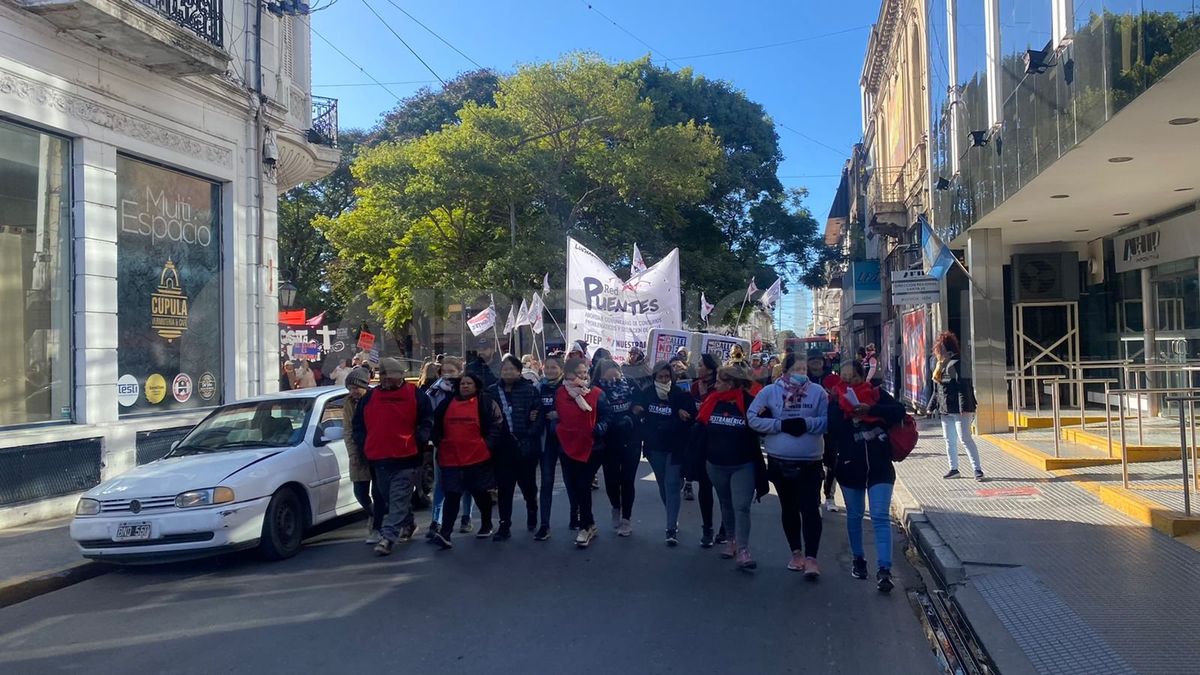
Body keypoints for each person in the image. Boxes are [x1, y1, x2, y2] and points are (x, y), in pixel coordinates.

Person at [749, 352, 830, 577]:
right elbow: (753, 417)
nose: (801, 374)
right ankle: (796, 553)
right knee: (789, 508)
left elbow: (827, 421)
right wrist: (779, 425)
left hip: (810, 461)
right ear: (784, 371)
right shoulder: (770, 392)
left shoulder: (818, 392)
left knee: (811, 509)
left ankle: (812, 558)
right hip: (780, 461)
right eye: (796, 370)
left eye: (804, 370)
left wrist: (805, 423)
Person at [830, 359, 905, 592]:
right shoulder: (835, 400)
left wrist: (871, 410)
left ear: (862, 377)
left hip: (880, 466)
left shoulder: (876, 395)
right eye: (843, 376)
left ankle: (884, 569)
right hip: (850, 465)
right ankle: (858, 560)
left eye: (852, 376)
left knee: (880, 516)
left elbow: (899, 411)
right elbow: (831, 430)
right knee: (854, 515)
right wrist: (849, 414)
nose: (847, 381)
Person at [352, 357, 434, 556]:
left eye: (390, 375)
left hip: (406, 458)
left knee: (398, 497)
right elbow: (358, 425)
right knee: (390, 498)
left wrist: (419, 440)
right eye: (383, 375)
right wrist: (365, 444)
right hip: (379, 458)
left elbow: (427, 421)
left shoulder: (416, 395)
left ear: (400, 376)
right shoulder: (370, 398)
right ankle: (409, 523)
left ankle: (388, 538)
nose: (385, 379)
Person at [694, 365, 761, 570]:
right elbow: (701, 430)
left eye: (720, 382)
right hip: (716, 464)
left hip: (743, 464)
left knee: (741, 505)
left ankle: (743, 549)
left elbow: (759, 427)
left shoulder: (749, 403)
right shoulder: (711, 401)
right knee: (726, 502)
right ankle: (730, 540)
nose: (716, 385)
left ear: (731, 383)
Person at [428, 373, 501, 549]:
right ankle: (445, 533)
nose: (465, 386)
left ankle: (486, 523)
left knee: (479, 492)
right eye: (462, 383)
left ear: (476, 386)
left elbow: (496, 425)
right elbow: (435, 425)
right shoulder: (447, 404)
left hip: (477, 457)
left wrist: (487, 446)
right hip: (451, 458)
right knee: (452, 494)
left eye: (469, 383)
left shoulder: (485, 403)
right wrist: (440, 442)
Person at [635, 361, 696, 546]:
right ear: (654, 377)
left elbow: (692, 417)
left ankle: (671, 528)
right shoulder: (647, 393)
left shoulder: (680, 394)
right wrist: (636, 410)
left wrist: (684, 416)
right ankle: (671, 512)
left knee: (671, 484)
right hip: (655, 448)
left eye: (667, 376)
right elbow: (638, 409)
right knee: (663, 484)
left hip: (675, 447)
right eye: (660, 377)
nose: (664, 380)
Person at [556, 356, 610, 548]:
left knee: (583, 485)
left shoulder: (596, 393)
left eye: (584, 372)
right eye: (577, 373)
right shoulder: (560, 393)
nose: (582, 376)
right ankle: (590, 523)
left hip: (591, 447)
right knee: (574, 487)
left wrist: (600, 428)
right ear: (568, 374)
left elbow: (607, 416)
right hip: (567, 446)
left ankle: (585, 527)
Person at [489, 355, 543, 540]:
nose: (508, 372)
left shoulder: (530, 390)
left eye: (512, 369)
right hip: (502, 448)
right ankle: (504, 525)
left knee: (527, 485)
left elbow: (539, 416)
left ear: (519, 371)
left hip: (525, 446)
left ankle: (532, 508)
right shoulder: (492, 391)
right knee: (505, 488)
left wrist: (530, 434)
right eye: (505, 369)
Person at [424, 357, 477, 537]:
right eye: (444, 371)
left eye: (452, 371)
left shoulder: (465, 389)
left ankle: (466, 517)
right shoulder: (434, 392)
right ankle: (435, 522)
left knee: (467, 483)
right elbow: (428, 417)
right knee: (441, 484)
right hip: (443, 444)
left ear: (459, 372)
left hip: (466, 444)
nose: (448, 375)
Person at [685, 353, 726, 546]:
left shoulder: (721, 387)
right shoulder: (694, 386)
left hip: (719, 441)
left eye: (701, 365)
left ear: (710, 369)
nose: (697, 367)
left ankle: (726, 528)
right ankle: (707, 528)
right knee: (705, 486)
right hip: (700, 441)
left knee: (724, 490)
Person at [596, 359, 640, 537]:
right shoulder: (597, 389)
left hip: (631, 439)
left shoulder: (630, 383)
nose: (613, 372)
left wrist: (632, 416)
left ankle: (626, 519)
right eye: (609, 370)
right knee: (611, 480)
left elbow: (640, 404)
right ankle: (616, 506)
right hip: (608, 441)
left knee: (627, 480)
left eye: (615, 368)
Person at [933, 331, 985, 481]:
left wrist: (964, 406)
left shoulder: (959, 363)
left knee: (965, 439)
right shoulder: (940, 365)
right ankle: (954, 468)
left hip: (960, 409)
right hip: (946, 408)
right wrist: (936, 405)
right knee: (949, 440)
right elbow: (940, 388)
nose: (938, 353)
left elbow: (964, 386)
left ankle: (977, 469)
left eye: (940, 350)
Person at [343, 367, 385, 544]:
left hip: (376, 451)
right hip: (359, 453)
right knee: (360, 492)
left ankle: (377, 528)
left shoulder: (375, 399)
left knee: (379, 492)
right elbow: (348, 430)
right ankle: (375, 514)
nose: (353, 392)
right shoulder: (348, 403)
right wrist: (353, 453)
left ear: (365, 386)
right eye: (350, 388)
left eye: (356, 388)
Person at [536, 355, 576, 540]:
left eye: (554, 367)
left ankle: (574, 516)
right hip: (547, 442)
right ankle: (544, 525)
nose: (550, 370)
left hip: (565, 440)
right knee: (546, 482)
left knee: (570, 480)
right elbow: (534, 408)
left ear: (561, 370)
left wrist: (559, 414)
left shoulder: (568, 387)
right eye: (547, 367)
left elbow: (577, 410)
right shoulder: (539, 387)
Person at [806, 350, 843, 514]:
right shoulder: (804, 380)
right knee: (813, 466)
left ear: (823, 361)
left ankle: (829, 496)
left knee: (832, 463)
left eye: (818, 359)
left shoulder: (833, 379)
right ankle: (815, 501)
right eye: (812, 359)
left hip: (830, 427)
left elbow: (843, 398)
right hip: (811, 428)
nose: (815, 362)